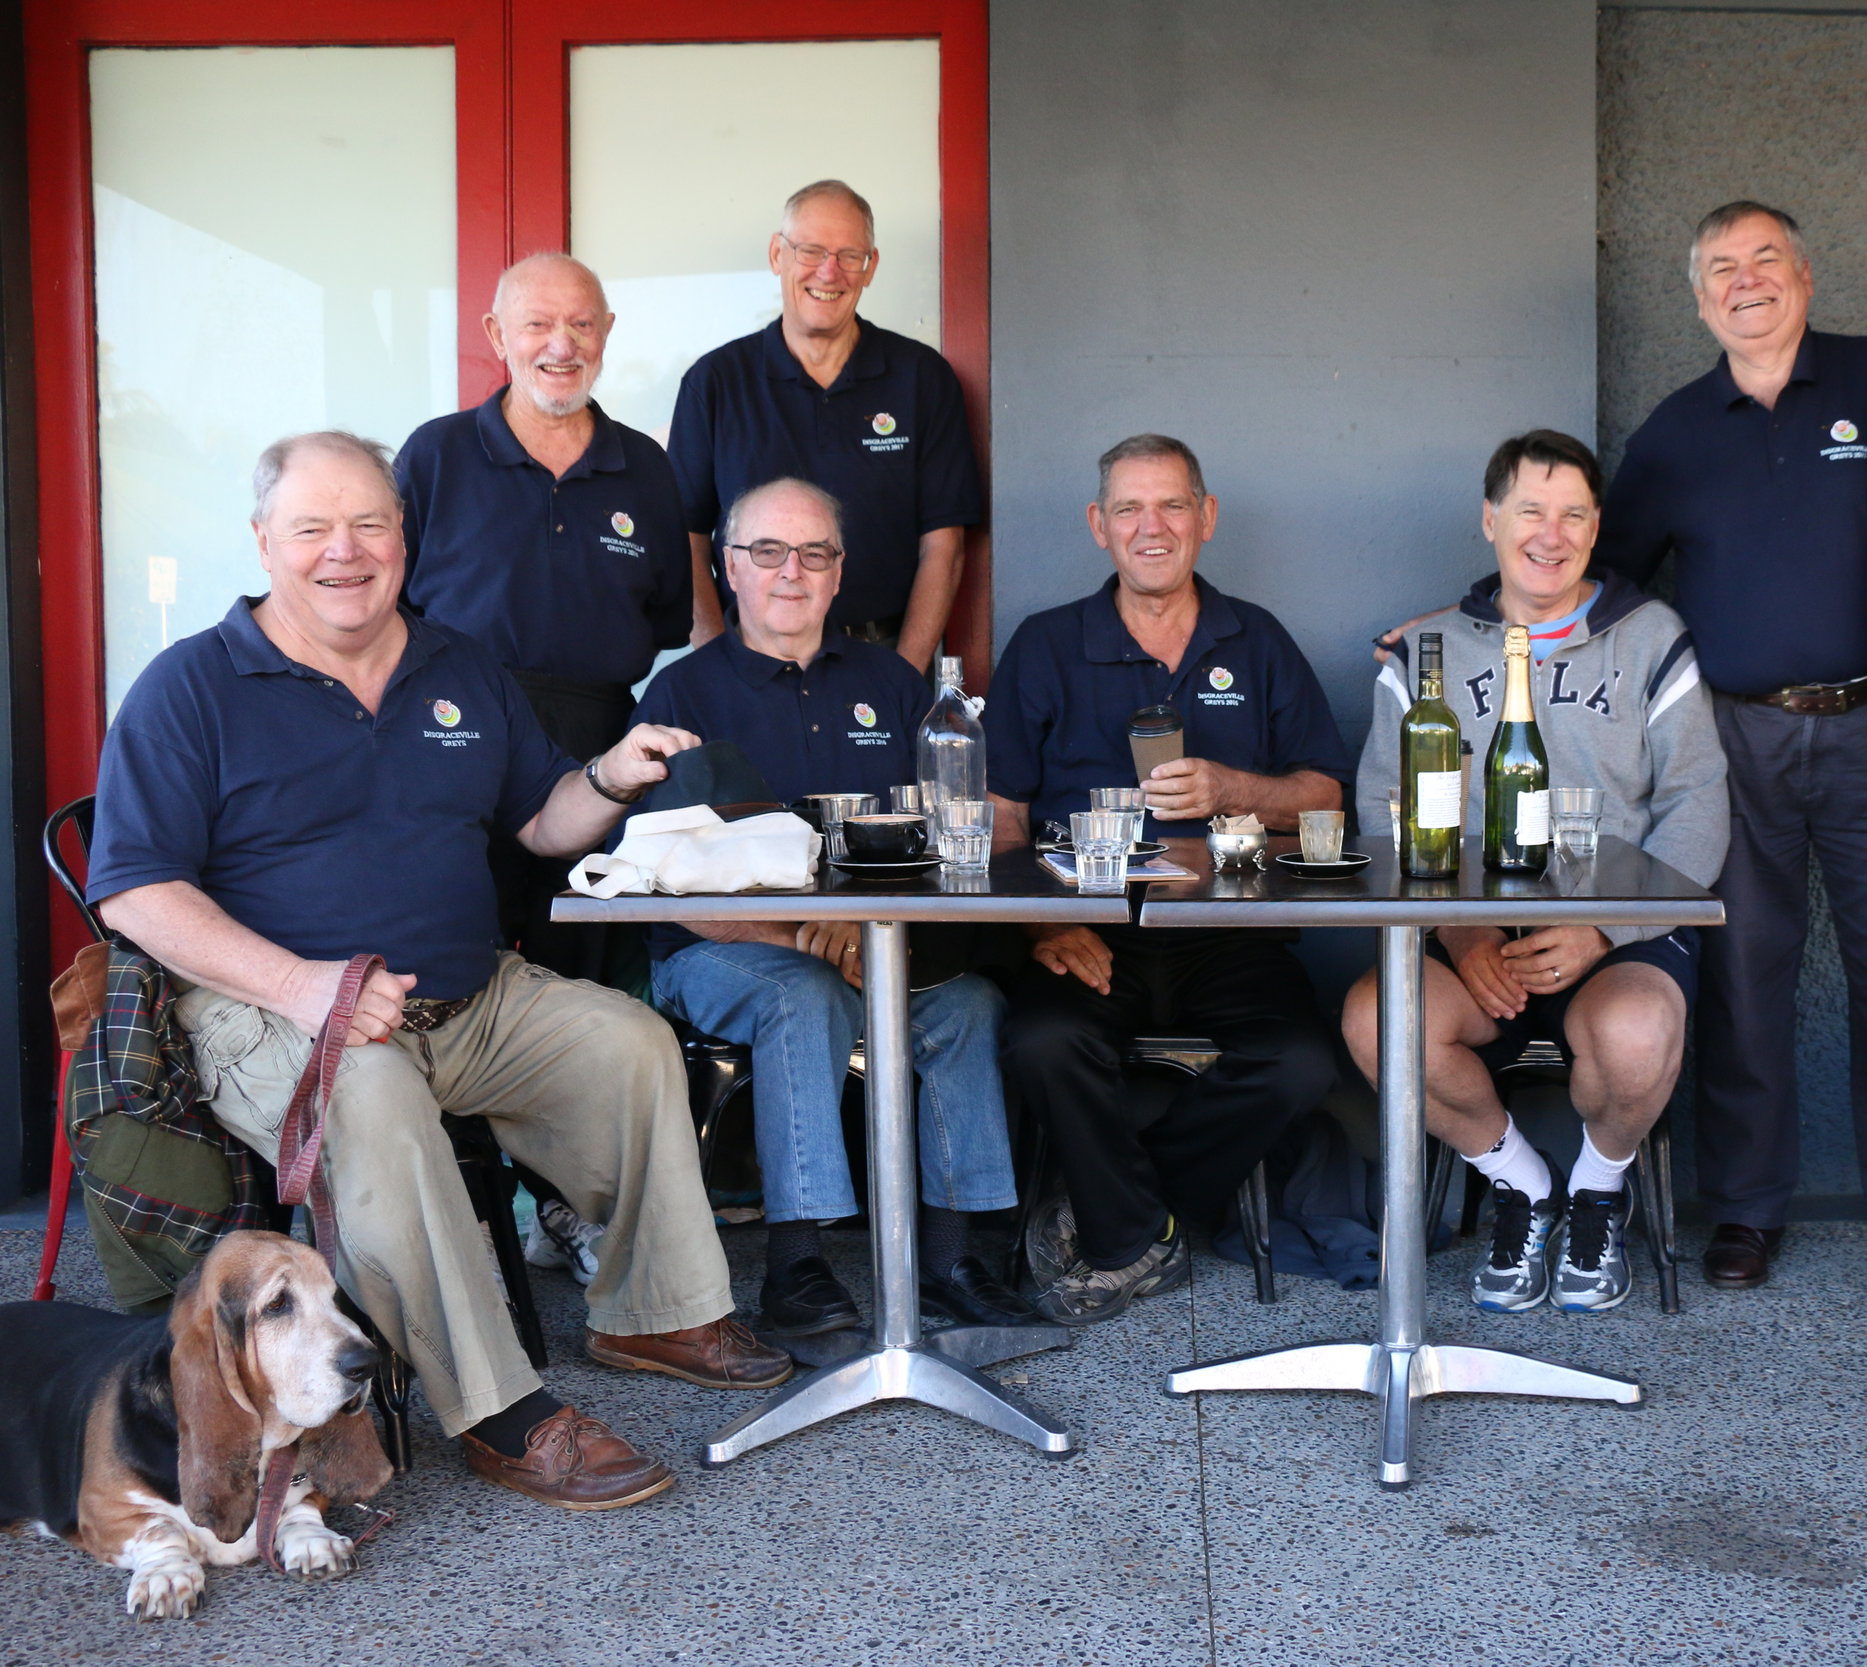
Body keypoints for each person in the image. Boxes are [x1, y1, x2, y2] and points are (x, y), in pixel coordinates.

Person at [85, 431, 790, 1512]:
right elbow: (133, 889)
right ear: (264, 541)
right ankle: (502, 1409)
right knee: (371, 1098)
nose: (345, 551)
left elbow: (544, 823)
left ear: (404, 536)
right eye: (313, 527)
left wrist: (607, 772)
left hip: (465, 998)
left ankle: (652, 1309)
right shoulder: (191, 687)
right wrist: (303, 986)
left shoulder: (457, 662)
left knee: (630, 1042)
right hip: (277, 1012)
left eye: (370, 523)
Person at [1595, 203, 1867, 1297]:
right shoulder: (1672, 430)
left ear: (1804, 272)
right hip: (1732, 740)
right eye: (1720, 268)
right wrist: (1470, 614)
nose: (1744, 280)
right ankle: (1746, 1208)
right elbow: (1601, 579)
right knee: (1745, 978)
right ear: (1699, 296)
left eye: (1764, 259)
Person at [632, 477, 1038, 1335]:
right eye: (769, 551)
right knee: (801, 994)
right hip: (715, 952)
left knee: (967, 1003)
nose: (792, 571)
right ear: (728, 567)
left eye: (814, 552)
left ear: (839, 570)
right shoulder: (681, 697)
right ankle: (799, 1266)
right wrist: (805, 938)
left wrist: (998, 824)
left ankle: (955, 1257)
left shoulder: (894, 685)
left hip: (875, 942)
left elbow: (952, 831)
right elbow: (666, 876)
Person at [1346, 430, 1727, 1314]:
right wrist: (1458, 928)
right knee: (1378, 1019)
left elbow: (1701, 800)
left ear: (1597, 530)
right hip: (1475, 942)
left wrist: (1607, 929)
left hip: (1618, 935)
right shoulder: (1427, 650)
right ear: (1490, 521)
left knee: (1633, 1036)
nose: (1549, 534)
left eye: (1573, 515)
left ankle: (1599, 1186)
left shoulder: (1651, 637)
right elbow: (1380, 811)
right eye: (1529, 511)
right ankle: (1522, 1183)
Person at [987, 434, 1350, 1324]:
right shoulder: (1046, 643)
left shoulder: (1254, 639)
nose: (1152, 527)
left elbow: (1326, 794)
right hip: (1086, 932)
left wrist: (1233, 788)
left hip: (1231, 933)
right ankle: (1144, 1228)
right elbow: (997, 817)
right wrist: (1037, 928)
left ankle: (1121, 1215)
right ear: (1098, 527)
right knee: (1039, 1042)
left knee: (1303, 1062)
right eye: (1129, 509)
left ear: (1206, 517)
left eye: (1173, 505)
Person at [395, 251, 693, 1285]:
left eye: (580, 324)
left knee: (579, 984)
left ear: (606, 332)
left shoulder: (645, 467)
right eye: (536, 325)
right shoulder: (435, 457)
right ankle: (449, 1204)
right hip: (450, 737)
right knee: (452, 971)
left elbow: (664, 616)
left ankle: (564, 1208)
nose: (559, 345)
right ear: (496, 333)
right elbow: (386, 608)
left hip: (596, 743)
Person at [669, 180, 980, 667]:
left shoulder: (922, 378)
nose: (828, 271)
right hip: (751, 660)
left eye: (848, 255)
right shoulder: (716, 383)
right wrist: (717, 671)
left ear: (870, 266)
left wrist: (902, 676)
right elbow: (682, 544)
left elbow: (944, 548)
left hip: (882, 655)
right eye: (810, 251)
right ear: (778, 254)